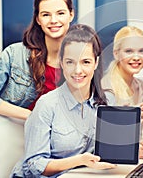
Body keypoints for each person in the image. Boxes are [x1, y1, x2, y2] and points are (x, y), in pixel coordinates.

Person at [0, 0, 75, 177]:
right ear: (38, 19)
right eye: (46, 14)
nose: (54, 20)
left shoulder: (80, 62)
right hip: (16, 139)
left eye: (60, 13)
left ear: (71, 15)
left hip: (60, 145)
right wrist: (30, 116)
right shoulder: (15, 54)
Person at [11, 24, 116, 177]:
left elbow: (107, 150)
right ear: (61, 63)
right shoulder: (47, 104)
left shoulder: (107, 101)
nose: (77, 70)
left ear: (96, 63)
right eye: (70, 62)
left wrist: (130, 149)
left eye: (85, 62)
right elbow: (33, 165)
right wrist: (80, 160)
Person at [101, 25, 143, 159]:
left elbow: (137, 135)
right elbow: (101, 142)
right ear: (116, 53)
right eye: (129, 51)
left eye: (142, 51)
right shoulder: (105, 88)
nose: (136, 57)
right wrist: (130, 150)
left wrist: (142, 146)